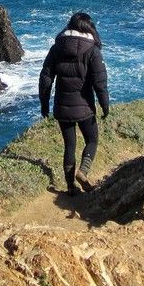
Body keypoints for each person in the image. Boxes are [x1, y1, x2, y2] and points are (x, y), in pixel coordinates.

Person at [38, 12, 110, 196]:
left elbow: (46, 78)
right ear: (89, 28)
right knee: (92, 139)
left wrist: (44, 105)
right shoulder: (92, 50)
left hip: (62, 107)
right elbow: (100, 82)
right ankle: (83, 172)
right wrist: (105, 105)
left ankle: (70, 187)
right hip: (85, 107)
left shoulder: (56, 48)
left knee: (69, 145)